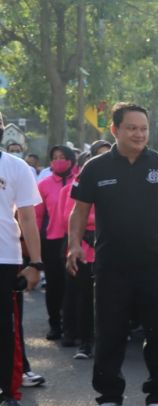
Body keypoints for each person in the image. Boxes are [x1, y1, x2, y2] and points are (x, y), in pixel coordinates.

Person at [68, 103, 158, 406]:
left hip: (154, 264)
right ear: (115, 130)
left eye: (143, 128)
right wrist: (74, 246)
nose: (139, 134)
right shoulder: (95, 168)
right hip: (111, 265)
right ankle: (109, 400)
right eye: (132, 128)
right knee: (109, 333)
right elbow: (78, 211)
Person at [0, 113, 44, 406]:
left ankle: (10, 396)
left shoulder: (16, 167)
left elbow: (28, 218)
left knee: (6, 332)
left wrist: (35, 263)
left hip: (5, 258)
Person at [59, 150, 96, 360]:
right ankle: (85, 342)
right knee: (83, 298)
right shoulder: (74, 187)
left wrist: (91, 223)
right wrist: (89, 227)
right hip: (82, 248)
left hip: (105, 247)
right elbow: (68, 217)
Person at [37, 145, 75, 343]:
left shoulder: (79, 182)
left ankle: (72, 326)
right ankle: (55, 324)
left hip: (74, 239)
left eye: (63, 157)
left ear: (71, 160)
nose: (59, 160)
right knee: (54, 285)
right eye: (55, 157)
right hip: (51, 240)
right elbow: (37, 216)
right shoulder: (43, 185)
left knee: (73, 285)